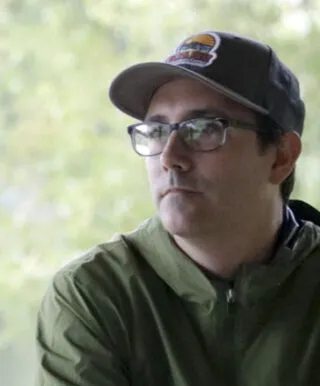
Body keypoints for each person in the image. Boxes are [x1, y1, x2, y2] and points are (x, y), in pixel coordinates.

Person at [36, 31, 320, 386]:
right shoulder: (95, 294)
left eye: (202, 129)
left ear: (281, 156)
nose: (170, 158)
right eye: (156, 131)